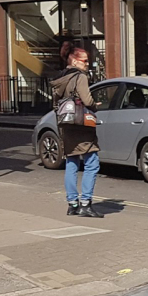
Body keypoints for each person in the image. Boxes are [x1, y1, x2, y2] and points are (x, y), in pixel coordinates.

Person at [50, 43, 102, 218]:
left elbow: (55, 105)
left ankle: (72, 204)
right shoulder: (80, 77)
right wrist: (95, 106)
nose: (87, 64)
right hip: (81, 125)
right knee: (92, 162)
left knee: (71, 163)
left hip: (66, 125)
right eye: (84, 61)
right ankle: (86, 204)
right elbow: (87, 100)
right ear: (74, 60)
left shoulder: (59, 79)